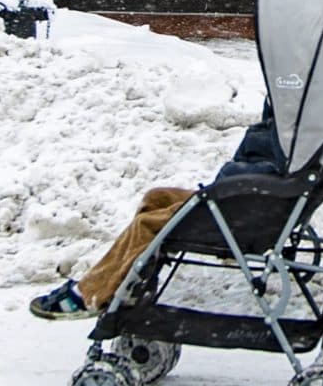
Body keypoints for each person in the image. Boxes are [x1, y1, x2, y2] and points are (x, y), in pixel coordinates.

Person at [30, 107, 285, 320]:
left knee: (148, 224)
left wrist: (228, 181)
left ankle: (92, 293)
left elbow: (257, 174)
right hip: (244, 202)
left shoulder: (293, 134)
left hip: (242, 212)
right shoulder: (292, 123)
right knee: (157, 198)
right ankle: (130, 283)